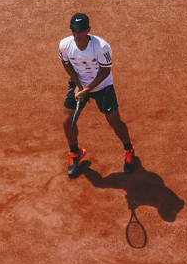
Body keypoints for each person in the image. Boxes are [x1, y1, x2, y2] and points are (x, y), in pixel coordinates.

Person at [58, 12, 139, 178]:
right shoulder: (65, 45)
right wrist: (78, 85)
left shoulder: (102, 47)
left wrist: (87, 90)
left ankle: (129, 149)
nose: (76, 34)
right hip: (79, 83)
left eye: (80, 30)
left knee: (114, 121)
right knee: (67, 121)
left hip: (102, 86)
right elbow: (66, 63)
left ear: (88, 30)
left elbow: (105, 72)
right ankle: (75, 153)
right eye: (73, 30)